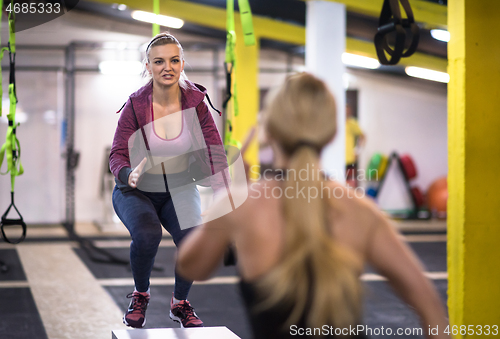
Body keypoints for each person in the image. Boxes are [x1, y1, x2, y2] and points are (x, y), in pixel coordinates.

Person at [176, 73, 450, 338]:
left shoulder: (242, 207)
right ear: (331, 135)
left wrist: (230, 195)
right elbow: (429, 304)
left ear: (269, 132)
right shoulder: (361, 211)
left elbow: (191, 267)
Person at [109, 32, 229, 329]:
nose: (168, 67)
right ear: (147, 66)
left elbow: (215, 152)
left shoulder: (196, 103)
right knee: (148, 234)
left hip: (178, 186)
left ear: (182, 63)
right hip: (136, 190)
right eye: (159, 61)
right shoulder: (135, 105)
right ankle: (140, 294)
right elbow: (116, 155)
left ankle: (180, 303)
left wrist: (224, 197)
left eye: (174, 60)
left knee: (192, 240)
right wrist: (128, 174)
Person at [345, 102, 365, 188]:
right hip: (339, 159)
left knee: (351, 185)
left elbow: (362, 136)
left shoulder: (353, 123)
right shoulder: (337, 122)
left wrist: (358, 150)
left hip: (350, 159)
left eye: (348, 110)